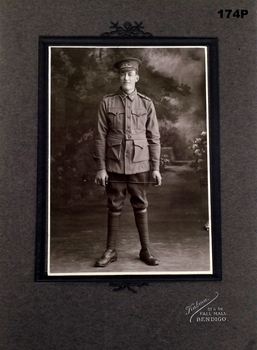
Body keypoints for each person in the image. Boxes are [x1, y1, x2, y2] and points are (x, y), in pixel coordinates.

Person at [94, 57, 162, 267]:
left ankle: (146, 250)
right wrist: (101, 168)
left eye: (130, 74)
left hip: (140, 164)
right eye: (123, 74)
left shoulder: (146, 103)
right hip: (114, 164)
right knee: (114, 205)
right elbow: (99, 136)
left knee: (140, 204)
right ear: (119, 77)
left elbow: (154, 138)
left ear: (137, 77)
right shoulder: (107, 102)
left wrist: (156, 168)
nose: (126, 77)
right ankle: (110, 250)